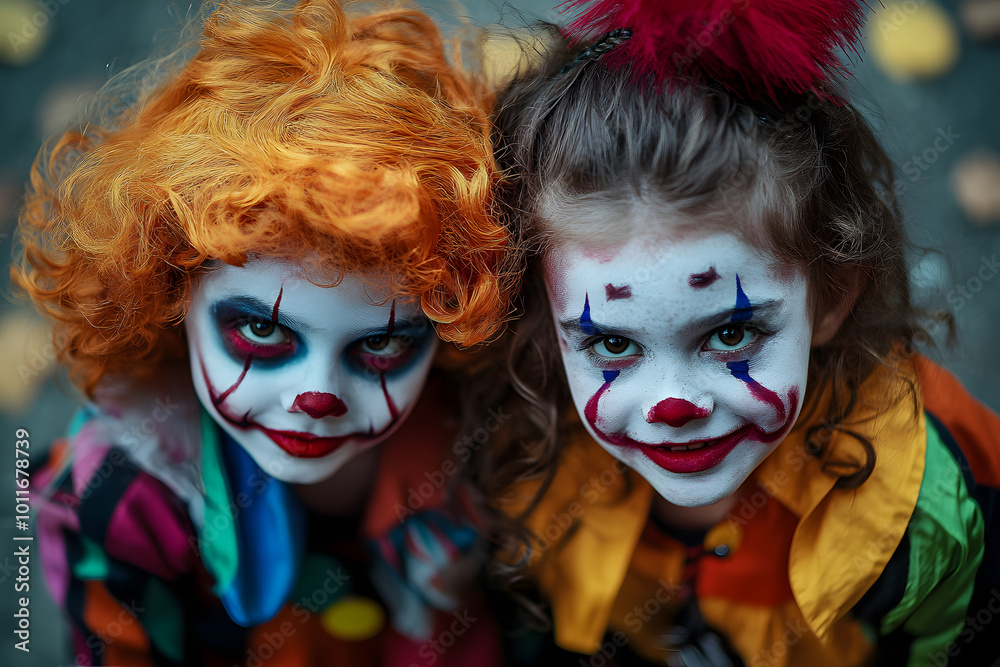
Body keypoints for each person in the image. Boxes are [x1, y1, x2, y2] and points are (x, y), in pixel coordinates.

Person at [475, 1, 1000, 665]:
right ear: (544, 319)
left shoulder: (936, 504)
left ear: (833, 296)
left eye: (729, 334)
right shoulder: (515, 426)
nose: (674, 404)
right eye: (612, 344)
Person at [13, 1, 514, 664]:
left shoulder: (494, 448)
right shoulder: (120, 491)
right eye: (259, 329)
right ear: (168, 288)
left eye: (383, 343)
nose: (316, 395)